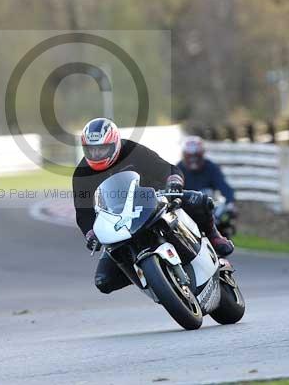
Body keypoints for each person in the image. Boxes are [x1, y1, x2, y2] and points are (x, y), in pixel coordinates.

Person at [72, 118, 234, 294]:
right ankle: (150, 277)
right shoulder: (82, 173)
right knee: (103, 281)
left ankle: (214, 235)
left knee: (199, 200)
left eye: (102, 149)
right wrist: (91, 234)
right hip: (119, 223)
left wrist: (173, 183)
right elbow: (83, 213)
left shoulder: (132, 151)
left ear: (115, 143)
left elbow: (168, 169)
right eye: (92, 150)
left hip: (153, 200)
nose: (97, 154)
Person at [178, 136, 237, 235]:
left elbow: (224, 187)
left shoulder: (211, 168)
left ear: (202, 155)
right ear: (184, 156)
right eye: (190, 157)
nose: (193, 161)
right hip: (185, 213)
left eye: (196, 156)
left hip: (208, 210)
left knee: (224, 226)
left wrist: (230, 203)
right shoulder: (178, 169)